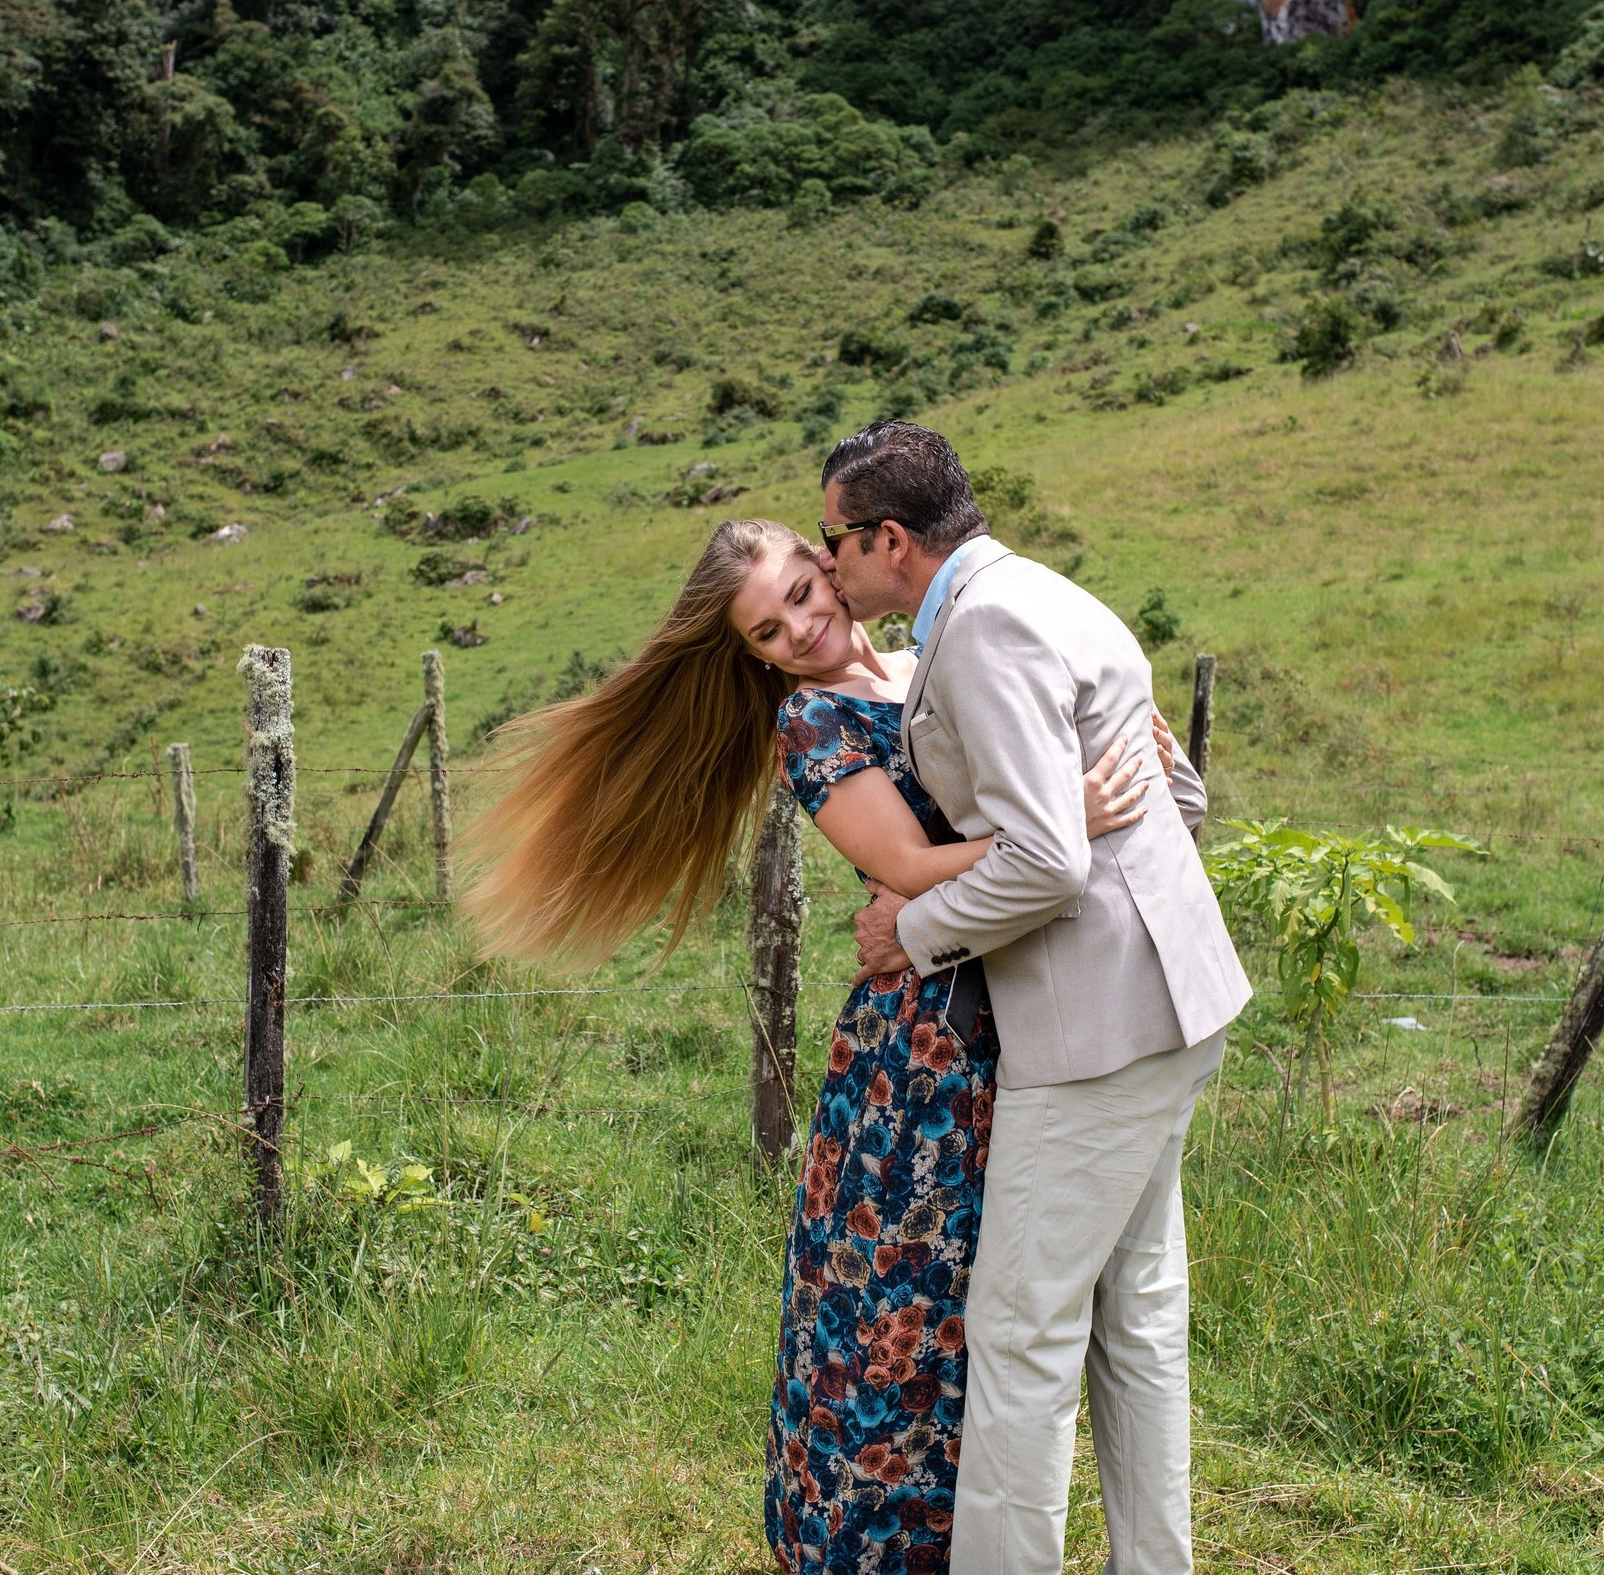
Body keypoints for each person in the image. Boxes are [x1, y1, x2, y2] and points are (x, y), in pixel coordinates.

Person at [461, 516, 1174, 1573]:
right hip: (922, 1053)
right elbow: (904, 858)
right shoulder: (813, 722)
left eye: (803, 588)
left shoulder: (939, 656)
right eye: (767, 627)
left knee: (1005, 1311)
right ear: (750, 655)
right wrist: (1061, 813)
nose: (801, 624)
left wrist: (1117, 753)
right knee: (896, 1316)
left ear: (833, 562)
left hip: (1029, 1001)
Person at [821, 421, 1252, 1575]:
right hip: (1173, 997)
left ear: (891, 539)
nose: (830, 567)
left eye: (837, 540)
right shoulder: (1053, 593)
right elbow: (1177, 786)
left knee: (1021, 1334)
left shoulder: (982, 631)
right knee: (1139, 1316)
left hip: (1096, 1027)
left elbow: (1048, 859)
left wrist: (905, 930)